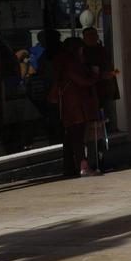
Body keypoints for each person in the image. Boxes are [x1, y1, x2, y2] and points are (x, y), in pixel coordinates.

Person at [51, 37, 100, 177]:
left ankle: (69, 168)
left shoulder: (63, 62)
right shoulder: (71, 63)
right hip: (75, 107)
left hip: (70, 106)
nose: (82, 51)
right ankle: (83, 167)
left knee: (70, 138)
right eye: (81, 48)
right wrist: (94, 75)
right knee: (77, 138)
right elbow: (83, 81)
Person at [82, 27, 119, 144]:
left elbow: (111, 67)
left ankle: (107, 134)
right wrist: (100, 76)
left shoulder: (102, 50)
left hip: (106, 88)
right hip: (92, 91)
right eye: (89, 36)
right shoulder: (84, 53)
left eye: (94, 35)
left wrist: (112, 74)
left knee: (106, 114)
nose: (92, 38)